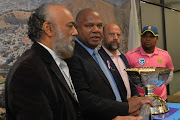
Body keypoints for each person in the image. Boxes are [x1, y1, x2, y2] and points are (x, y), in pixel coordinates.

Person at [65, 8, 153, 120]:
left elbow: (113, 88)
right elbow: (84, 100)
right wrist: (126, 107)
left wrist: (125, 108)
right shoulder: (72, 56)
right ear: (76, 28)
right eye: (89, 26)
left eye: (99, 26)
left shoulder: (98, 54)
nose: (96, 30)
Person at [5, 3, 82, 120]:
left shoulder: (58, 62)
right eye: (70, 26)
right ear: (49, 29)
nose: (75, 32)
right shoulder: (28, 71)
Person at [126, 25, 174, 101]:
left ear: (157, 39)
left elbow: (169, 74)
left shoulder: (165, 55)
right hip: (139, 100)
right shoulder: (130, 56)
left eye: (151, 36)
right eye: (145, 36)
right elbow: (126, 78)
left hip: (161, 99)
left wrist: (158, 85)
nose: (148, 39)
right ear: (141, 38)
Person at [99, 24, 139, 100]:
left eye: (118, 35)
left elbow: (130, 82)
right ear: (102, 37)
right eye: (111, 34)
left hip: (130, 108)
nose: (115, 38)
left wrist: (135, 97)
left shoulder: (123, 57)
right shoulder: (98, 58)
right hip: (114, 109)